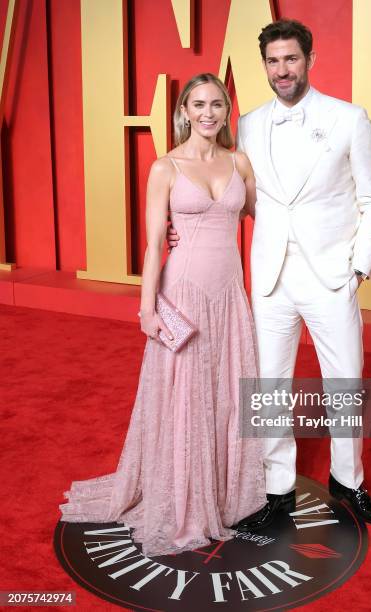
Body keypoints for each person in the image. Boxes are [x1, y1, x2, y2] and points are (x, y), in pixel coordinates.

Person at [168, 19, 371, 528]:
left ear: (309, 59)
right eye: (273, 61)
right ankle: (276, 491)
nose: (282, 69)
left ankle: (348, 482)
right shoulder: (246, 123)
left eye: (291, 58)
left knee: (345, 385)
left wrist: (358, 268)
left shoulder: (349, 118)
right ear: (264, 66)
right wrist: (184, 228)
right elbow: (229, 194)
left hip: (331, 275)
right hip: (269, 278)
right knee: (268, 387)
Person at [59, 73, 267, 556]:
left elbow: (262, 215)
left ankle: (223, 491)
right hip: (184, 295)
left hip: (230, 297)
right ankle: (184, 501)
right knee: (186, 396)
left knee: (227, 392)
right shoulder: (165, 167)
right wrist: (147, 308)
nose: (209, 113)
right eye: (199, 105)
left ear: (226, 109)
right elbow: (154, 244)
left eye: (217, 104)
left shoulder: (240, 162)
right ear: (184, 111)